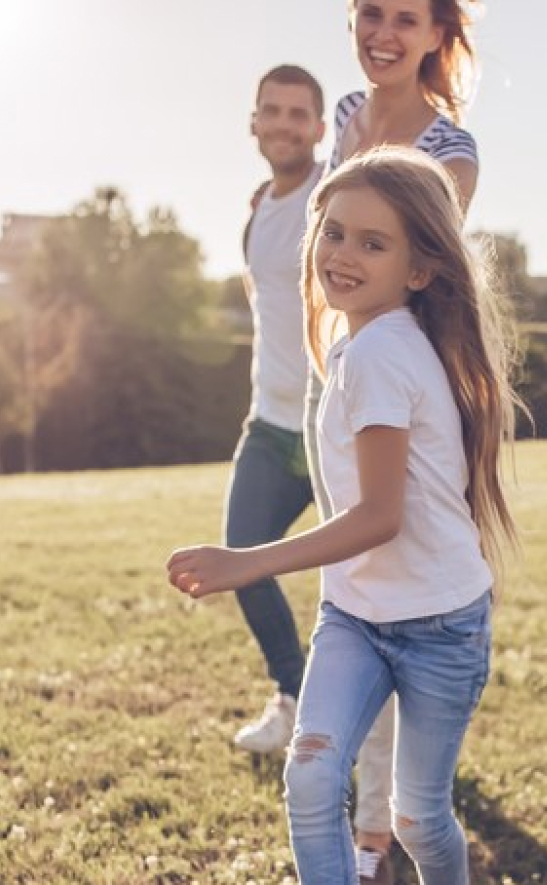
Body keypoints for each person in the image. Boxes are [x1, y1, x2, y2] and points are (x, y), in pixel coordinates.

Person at [168, 146, 519, 885]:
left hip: (443, 626)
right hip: (357, 621)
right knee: (314, 780)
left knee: (416, 818)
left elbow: (377, 518)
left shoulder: (384, 350)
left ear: (422, 267)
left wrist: (247, 562)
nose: (343, 253)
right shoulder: (356, 339)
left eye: (374, 241)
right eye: (334, 232)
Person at [315, 0, 485, 885]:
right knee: (355, 589)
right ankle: (386, 814)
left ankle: (377, 835)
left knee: (386, 581)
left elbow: (411, 265)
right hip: (336, 368)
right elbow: (338, 243)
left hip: (403, 386)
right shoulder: (347, 113)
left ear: (437, 35)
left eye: (405, 18)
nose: (383, 32)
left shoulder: (450, 149)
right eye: (369, 12)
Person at [222, 65, 328, 757]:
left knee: (364, 586)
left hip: (333, 425)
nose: (285, 124)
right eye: (273, 112)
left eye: (299, 114)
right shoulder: (258, 210)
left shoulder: (334, 192)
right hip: (268, 423)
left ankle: (373, 726)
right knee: (241, 557)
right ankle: (295, 699)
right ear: (253, 123)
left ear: (320, 129)